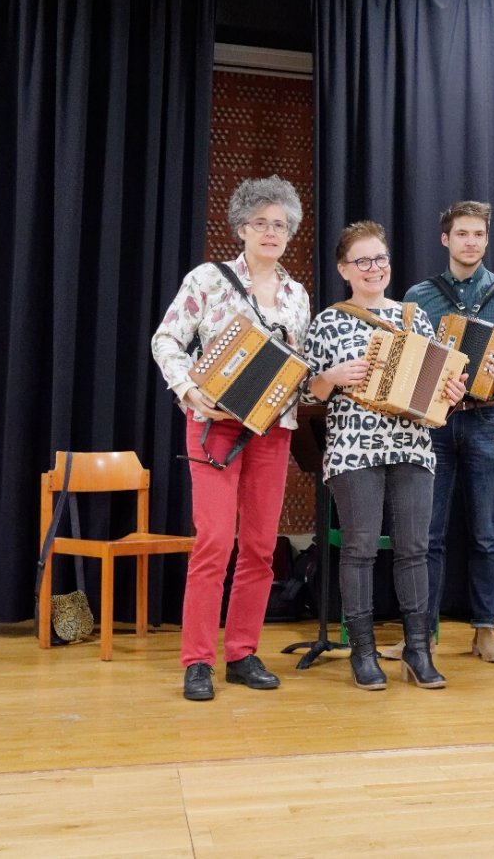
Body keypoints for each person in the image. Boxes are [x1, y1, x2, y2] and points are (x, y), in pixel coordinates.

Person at [151, 175, 310, 701]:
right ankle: (198, 660)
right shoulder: (208, 279)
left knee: (261, 548)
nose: (271, 232)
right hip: (212, 426)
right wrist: (189, 389)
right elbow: (167, 338)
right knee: (215, 542)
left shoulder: (297, 295)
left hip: (271, 430)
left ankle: (242, 652)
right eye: (261, 223)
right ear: (241, 227)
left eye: (280, 224)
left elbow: (297, 369)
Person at [303, 220, 466, 691]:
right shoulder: (329, 320)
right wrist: (332, 374)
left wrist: (451, 391)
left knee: (415, 549)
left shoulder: (415, 318)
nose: (374, 268)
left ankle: (417, 649)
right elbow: (307, 394)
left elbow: (437, 390)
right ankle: (363, 650)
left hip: (412, 444)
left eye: (380, 259)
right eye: (363, 261)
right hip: (354, 448)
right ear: (344, 269)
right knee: (359, 550)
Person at [398, 201, 494, 664]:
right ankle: (423, 634)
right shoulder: (420, 294)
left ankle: (484, 631)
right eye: (462, 234)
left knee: (485, 534)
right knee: (429, 534)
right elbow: (406, 356)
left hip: (486, 419)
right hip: (434, 422)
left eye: (478, 234)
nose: (471, 242)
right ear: (446, 239)